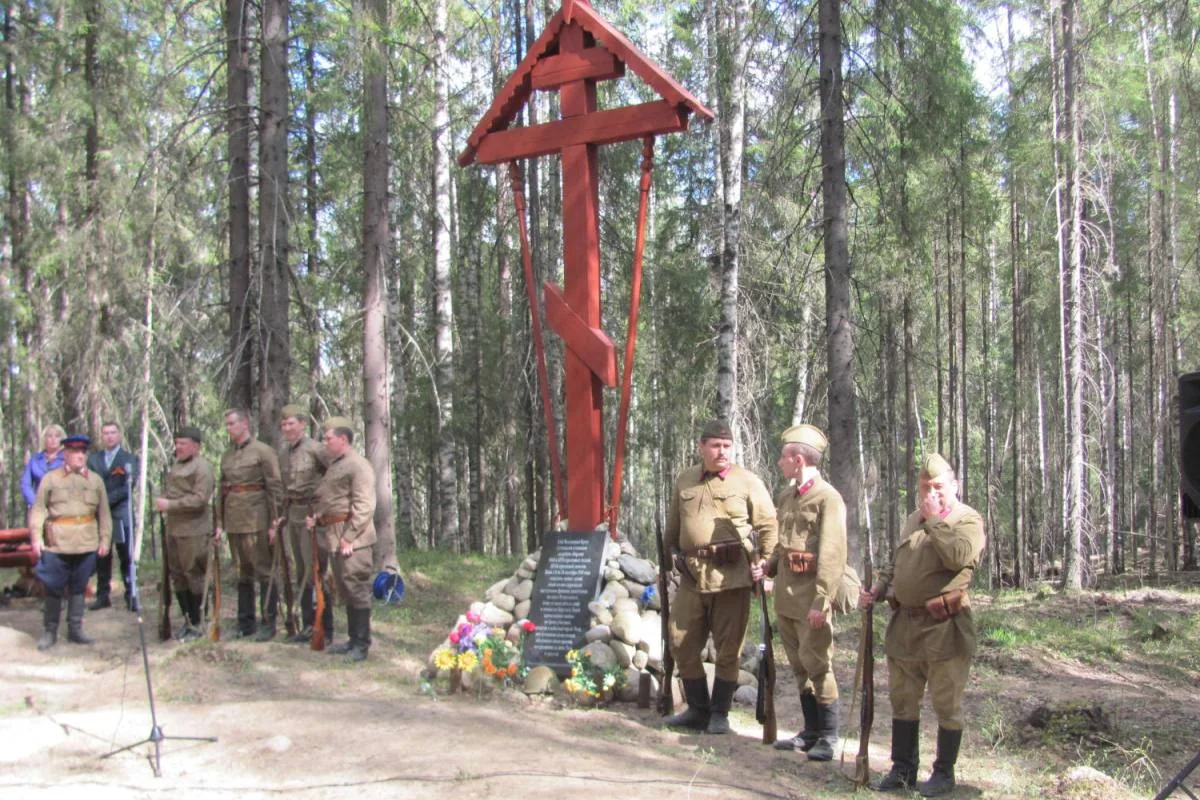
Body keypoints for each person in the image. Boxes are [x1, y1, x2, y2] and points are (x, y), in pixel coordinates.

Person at [859, 454, 985, 797]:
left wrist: (935, 521)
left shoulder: (967, 519)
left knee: (946, 703)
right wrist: (879, 588)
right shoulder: (913, 520)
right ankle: (903, 770)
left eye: (938, 487)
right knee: (903, 699)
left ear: (955, 486)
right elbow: (895, 563)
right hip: (906, 626)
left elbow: (958, 557)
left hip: (945, 627)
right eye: (925, 487)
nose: (931, 493)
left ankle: (943, 773)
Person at [663, 419, 778, 734]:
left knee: (728, 648)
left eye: (727, 446)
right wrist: (667, 561)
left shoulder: (748, 481)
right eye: (715, 445)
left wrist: (767, 567)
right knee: (681, 641)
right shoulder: (685, 480)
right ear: (701, 447)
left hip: (732, 577)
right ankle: (697, 710)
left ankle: (719, 713)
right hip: (692, 576)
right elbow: (674, 527)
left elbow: (768, 526)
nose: (722, 451)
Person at [769, 424, 847, 761]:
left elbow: (832, 553)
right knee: (799, 665)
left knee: (818, 664)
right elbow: (783, 543)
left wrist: (822, 600)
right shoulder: (786, 496)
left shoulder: (828, 498)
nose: (780, 462)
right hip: (787, 597)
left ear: (798, 460)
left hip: (810, 599)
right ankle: (810, 730)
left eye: (784, 457)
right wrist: (768, 567)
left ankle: (829, 735)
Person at [30, 434, 112, 650]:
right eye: (75, 452)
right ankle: (50, 631)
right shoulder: (51, 479)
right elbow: (38, 509)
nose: (80, 456)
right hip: (57, 543)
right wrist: (36, 537)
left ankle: (75, 629)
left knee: (79, 588)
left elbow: (104, 513)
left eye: (83, 452)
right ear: (65, 454)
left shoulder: (95, 481)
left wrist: (105, 539)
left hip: (86, 543)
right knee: (53, 587)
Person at [306, 417, 376, 661]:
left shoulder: (358, 465)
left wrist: (349, 537)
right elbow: (332, 499)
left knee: (356, 587)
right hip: (334, 536)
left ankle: (361, 644)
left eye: (328, 438)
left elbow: (364, 505)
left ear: (343, 439)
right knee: (346, 588)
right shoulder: (337, 465)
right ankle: (352, 640)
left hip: (353, 540)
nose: (324, 443)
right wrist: (318, 519)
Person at [215, 409, 283, 640]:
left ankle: (268, 622)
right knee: (242, 572)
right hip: (234, 520)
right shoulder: (227, 455)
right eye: (226, 424)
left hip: (257, 519)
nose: (228, 428)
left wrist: (275, 522)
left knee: (264, 571)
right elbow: (222, 490)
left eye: (232, 423)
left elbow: (274, 487)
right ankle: (245, 622)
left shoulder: (263, 451)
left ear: (244, 424)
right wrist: (219, 522)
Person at [155, 427, 215, 641]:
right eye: (177, 443)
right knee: (178, 575)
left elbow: (200, 499)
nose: (178, 447)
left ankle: (199, 621)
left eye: (183, 444)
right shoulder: (177, 465)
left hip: (194, 530)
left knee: (193, 574)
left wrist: (170, 505)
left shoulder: (202, 467)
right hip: (174, 529)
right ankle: (188, 619)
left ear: (196, 446)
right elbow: (173, 492)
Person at [275, 404, 329, 643]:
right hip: (293, 515)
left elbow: (334, 477)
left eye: (291, 424)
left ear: (303, 424)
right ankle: (308, 625)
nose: (287, 428)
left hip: (312, 515)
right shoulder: (284, 453)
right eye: (284, 424)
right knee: (301, 571)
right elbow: (284, 488)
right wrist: (281, 514)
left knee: (314, 569)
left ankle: (324, 626)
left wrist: (322, 509)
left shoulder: (316, 449)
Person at [87, 422, 141, 611]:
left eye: (113, 432)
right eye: (106, 433)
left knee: (126, 555)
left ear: (119, 435)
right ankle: (103, 596)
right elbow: (89, 484)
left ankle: (131, 595)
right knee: (102, 555)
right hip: (100, 515)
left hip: (121, 513)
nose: (109, 436)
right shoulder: (93, 460)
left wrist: (105, 500)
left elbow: (128, 487)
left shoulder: (129, 459)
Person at [21, 424, 66, 509]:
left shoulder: (67, 459)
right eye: (49, 436)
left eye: (57, 436)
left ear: (62, 439)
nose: (53, 439)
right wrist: (35, 503)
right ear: (44, 439)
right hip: (38, 506)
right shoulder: (35, 459)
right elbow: (25, 484)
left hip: (62, 507)